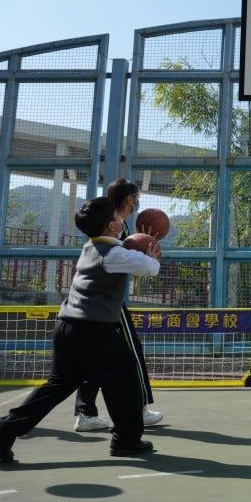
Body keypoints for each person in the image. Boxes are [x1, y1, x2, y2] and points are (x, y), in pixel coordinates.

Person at [0, 196, 161, 463]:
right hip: (95, 331)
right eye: (118, 217)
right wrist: (152, 254)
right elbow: (149, 268)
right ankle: (127, 440)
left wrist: (136, 242)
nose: (123, 220)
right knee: (126, 381)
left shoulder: (90, 247)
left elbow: (125, 249)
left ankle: (2, 431)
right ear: (111, 226)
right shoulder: (113, 255)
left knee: (57, 386)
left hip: (66, 328)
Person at [73, 177, 164, 432]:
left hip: (84, 305)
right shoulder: (115, 228)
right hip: (105, 306)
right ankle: (139, 409)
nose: (138, 202)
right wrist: (146, 254)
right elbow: (129, 261)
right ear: (130, 199)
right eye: (136, 197)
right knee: (131, 353)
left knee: (86, 364)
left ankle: (85, 412)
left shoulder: (107, 224)